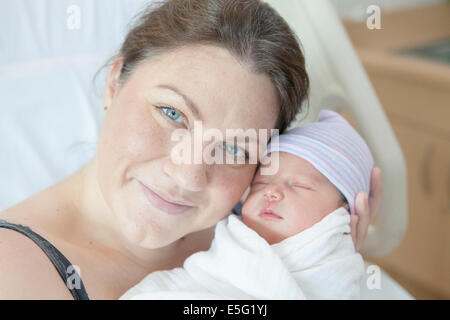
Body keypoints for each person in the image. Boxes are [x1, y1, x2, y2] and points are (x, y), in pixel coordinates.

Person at [0, 0, 382, 300]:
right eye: (172, 113)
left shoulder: (263, 228)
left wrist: (318, 263)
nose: (188, 175)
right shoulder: (14, 273)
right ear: (114, 83)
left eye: (235, 148)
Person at [119, 110, 371, 300]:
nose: (271, 192)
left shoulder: (336, 267)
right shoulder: (226, 233)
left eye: (299, 185)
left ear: (343, 213)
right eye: (260, 184)